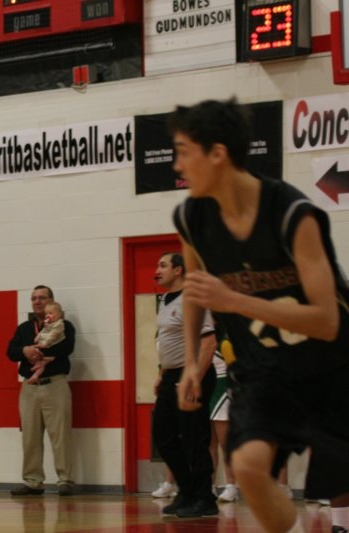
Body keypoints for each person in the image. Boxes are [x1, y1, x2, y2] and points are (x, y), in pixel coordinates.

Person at [170, 98, 349, 533]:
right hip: (263, 367)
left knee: (339, 478)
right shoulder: (191, 217)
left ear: (217, 154)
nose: (177, 166)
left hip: (332, 364)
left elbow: (327, 321)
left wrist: (234, 301)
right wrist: (191, 362)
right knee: (248, 468)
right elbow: (195, 291)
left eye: (184, 152)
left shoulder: (292, 214)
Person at [152, 252, 218, 518]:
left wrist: (193, 379)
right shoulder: (165, 301)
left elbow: (209, 343)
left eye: (162, 265)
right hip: (171, 375)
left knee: (194, 438)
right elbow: (171, 343)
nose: (157, 270)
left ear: (178, 270)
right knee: (162, 435)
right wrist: (162, 374)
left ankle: (205, 498)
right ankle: (187, 491)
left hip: (192, 374)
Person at [6, 285, 76, 497]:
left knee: (60, 435)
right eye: (34, 298)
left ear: (51, 301)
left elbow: (67, 348)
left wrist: (39, 351)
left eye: (42, 298)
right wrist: (25, 350)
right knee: (30, 436)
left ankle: (65, 480)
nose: (37, 301)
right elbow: (10, 352)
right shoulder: (24, 328)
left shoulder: (64, 325)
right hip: (30, 388)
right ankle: (33, 481)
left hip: (55, 385)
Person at [211, 335, 238, 503]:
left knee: (225, 443)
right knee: (209, 444)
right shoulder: (197, 343)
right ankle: (210, 485)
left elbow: (236, 371)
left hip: (222, 392)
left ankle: (231, 485)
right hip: (207, 390)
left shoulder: (224, 343)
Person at [27, 301, 65, 384]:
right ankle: (36, 369)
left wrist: (45, 343)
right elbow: (43, 331)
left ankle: (36, 375)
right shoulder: (48, 323)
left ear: (59, 315)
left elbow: (53, 336)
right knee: (35, 354)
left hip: (52, 345)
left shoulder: (59, 324)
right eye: (46, 313)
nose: (48, 315)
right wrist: (38, 337)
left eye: (50, 313)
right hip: (45, 343)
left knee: (43, 362)